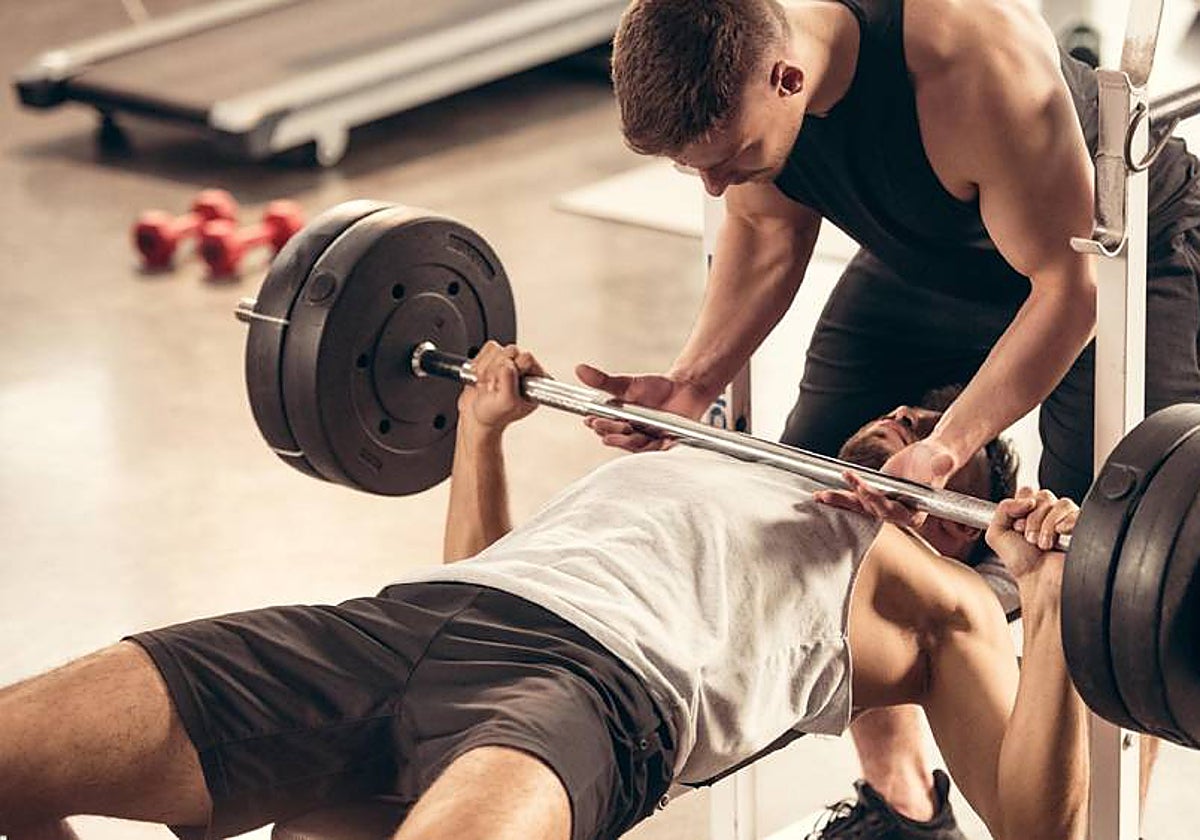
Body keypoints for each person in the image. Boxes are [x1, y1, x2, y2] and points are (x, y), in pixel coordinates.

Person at [0, 343, 1086, 840]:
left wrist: (1054, 606)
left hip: (598, 698)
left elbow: (1041, 828)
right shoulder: (706, 459)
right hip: (408, 622)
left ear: (964, 528)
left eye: (951, 458)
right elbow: (489, 563)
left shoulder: (932, 598)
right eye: (903, 416)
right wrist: (481, 434)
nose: (904, 432)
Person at [578, 0, 1199, 830]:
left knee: (1109, 568)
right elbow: (765, 232)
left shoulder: (968, 61)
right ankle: (903, 804)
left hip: (1120, 261)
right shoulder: (758, 76)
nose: (714, 186)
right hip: (933, 253)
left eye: (727, 159)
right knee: (811, 505)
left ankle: (1092, 822)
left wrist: (945, 448)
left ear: (788, 79)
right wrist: (692, 384)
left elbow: (1068, 289)